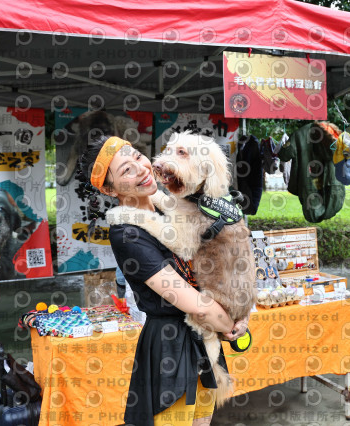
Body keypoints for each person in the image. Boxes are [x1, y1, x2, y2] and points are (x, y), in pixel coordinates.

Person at [80, 135, 248, 426]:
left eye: (137, 156)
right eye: (126, 170)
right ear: (109, 189)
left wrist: (241, 312)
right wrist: (230, 324)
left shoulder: (170, 204)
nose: (141, 168)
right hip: (171, 347)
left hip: (206, 337)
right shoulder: (127, 233)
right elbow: (195, 305)